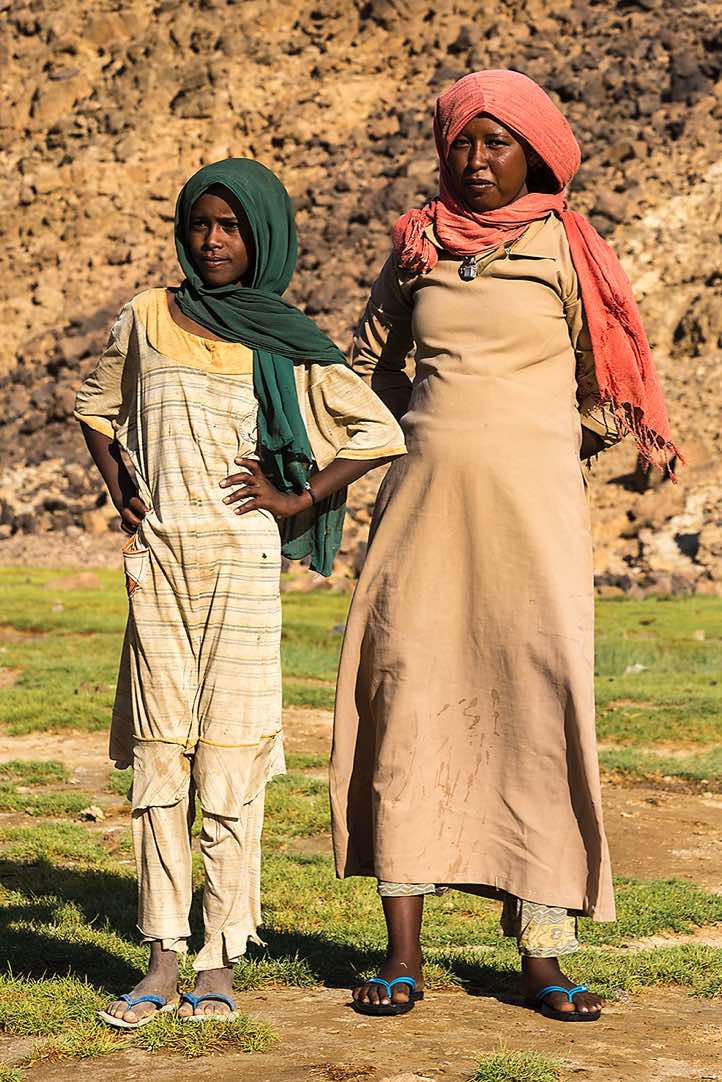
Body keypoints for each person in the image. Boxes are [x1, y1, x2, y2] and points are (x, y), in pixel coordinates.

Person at [329, 69, 679, 1022]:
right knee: (409, 694)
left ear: (536, 151)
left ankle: (544, 958)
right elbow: (362, 367)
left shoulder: (569, 249)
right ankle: (401, 951)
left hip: (536, 518)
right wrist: (425, 427)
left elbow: (613, 385)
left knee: (537, 702)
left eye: (497, 142)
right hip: (423, 511)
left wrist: (539, 446)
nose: (476, 160)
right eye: (462, 143)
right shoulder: (417, 247)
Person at [75, 158, 406, 1027]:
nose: (213, 240)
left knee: (229, 759)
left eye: (230, 226)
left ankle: (219, 959)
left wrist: (297, 496)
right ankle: (158, 957)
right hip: (159, 565)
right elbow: (96, 407)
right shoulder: (148, 316)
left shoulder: (286, 339)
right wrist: (122, 487)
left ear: (261, 236)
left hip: (246, 573)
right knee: (158, 761)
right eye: (199, 225)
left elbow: (377, 430)